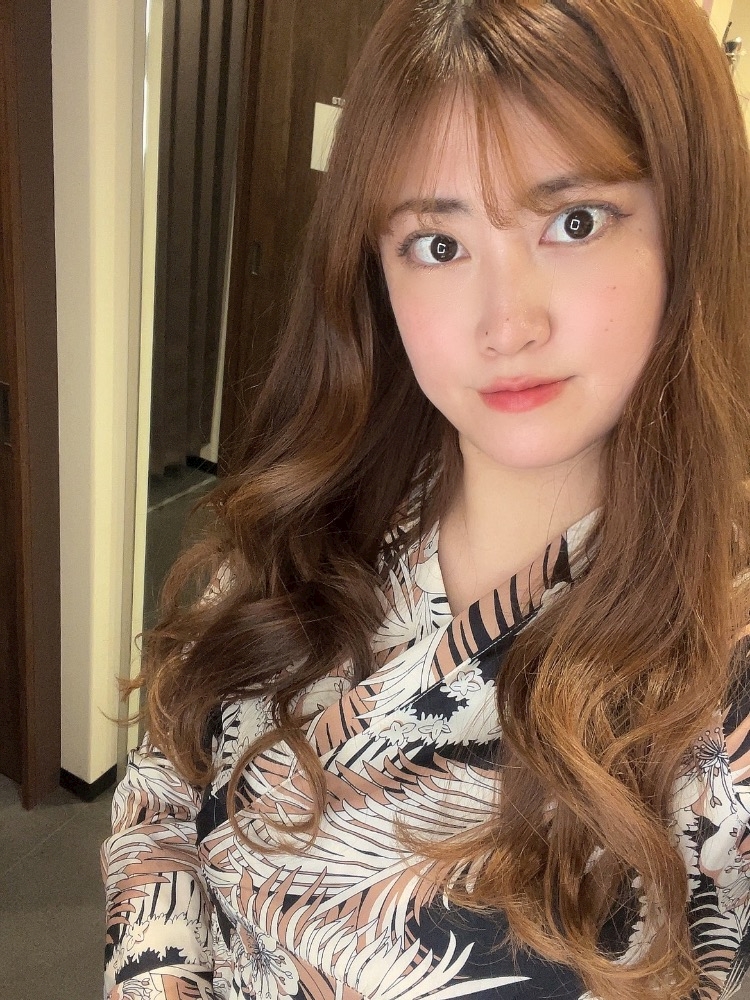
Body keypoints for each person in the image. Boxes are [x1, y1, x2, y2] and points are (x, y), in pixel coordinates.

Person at [102, 1, 750, 998]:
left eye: (574, 222)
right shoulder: (321, 506)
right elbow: (166, 779)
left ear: (690, 226)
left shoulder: (722, 675)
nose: (505, 323)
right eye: (438, 244)